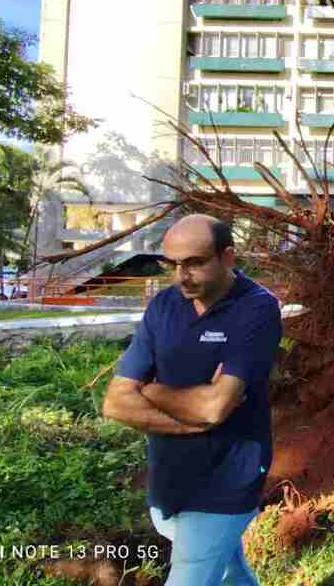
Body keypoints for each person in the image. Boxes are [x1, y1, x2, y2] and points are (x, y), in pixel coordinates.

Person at [102, 214, 281, 586]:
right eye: (173, 264)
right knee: (230, 572)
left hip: (227, 479)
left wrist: (150, 391)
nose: (182, 276)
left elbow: (216, 407)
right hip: (168, 477)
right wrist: (195, 417)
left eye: (195, 263)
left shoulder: (256, 308)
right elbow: (115, 402)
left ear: (227, 257)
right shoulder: (164, 306)